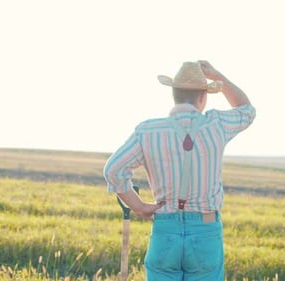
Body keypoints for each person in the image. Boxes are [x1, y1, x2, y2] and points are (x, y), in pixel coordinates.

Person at [103, 60, 255, 280]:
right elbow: (246, 110)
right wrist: (217, 75)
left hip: (165, 229)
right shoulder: (217, 124)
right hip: (206, 230)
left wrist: (139, 206)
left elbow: (113, 170)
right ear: (203, 97)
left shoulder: (148, 130)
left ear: (173, 94)